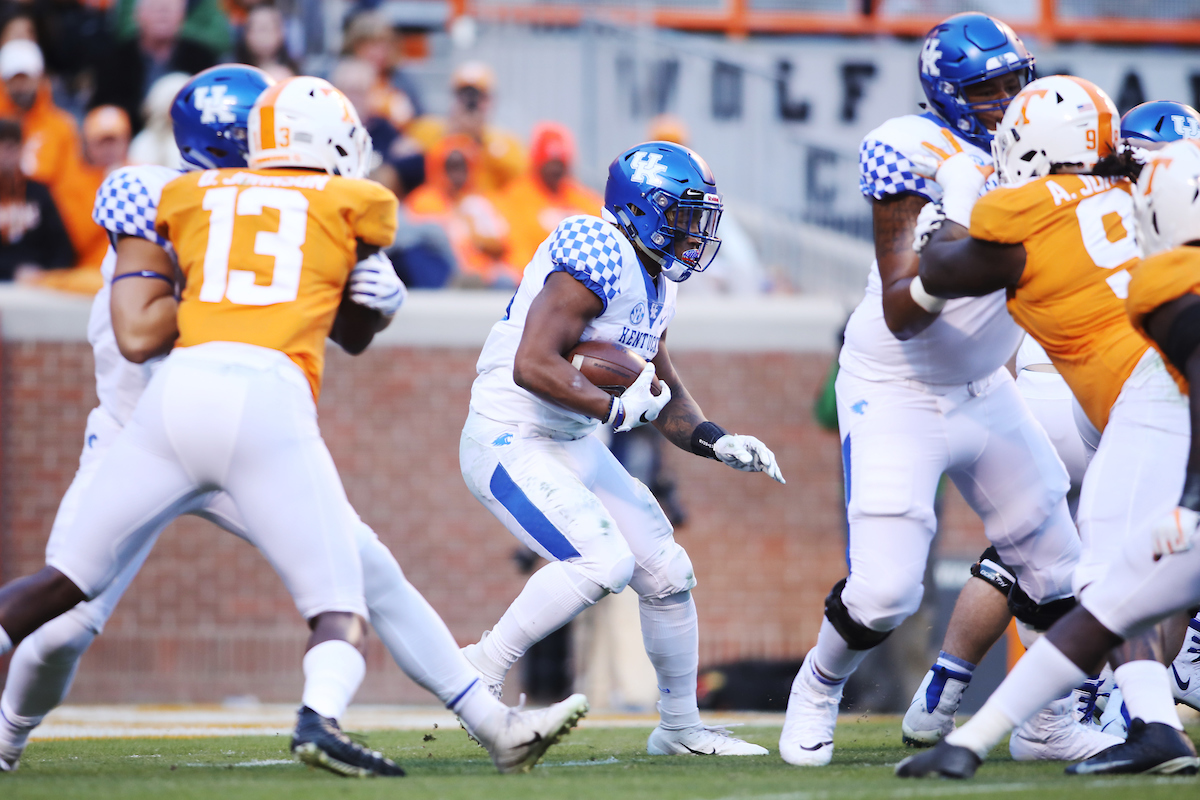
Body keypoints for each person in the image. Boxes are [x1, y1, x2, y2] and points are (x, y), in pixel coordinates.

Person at [0, 68, 587, 777]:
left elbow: (339, 326)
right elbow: (138, 332)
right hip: (140, 429)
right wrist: (259, 300)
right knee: (66, 624)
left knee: (372, 572)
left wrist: (361, 299)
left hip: (230, 435)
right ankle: (8, 737)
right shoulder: (157, 194)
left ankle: (497, 726)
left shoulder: (290, 205)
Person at [778, 13, 1105, 768]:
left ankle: (1048, 723)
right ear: (950, 97)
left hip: (985, 381)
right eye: (986, 88)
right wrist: (961, 211)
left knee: (1058, 567)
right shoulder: (920, 152)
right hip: (898, 383)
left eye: (1014, 80)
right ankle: (819, 684)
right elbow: (902, 311)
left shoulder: (1049, 143)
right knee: (886, 592)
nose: (1007, 99)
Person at [458, 140, 785, 756]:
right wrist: (612, 407)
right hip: (510, 434)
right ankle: (477, 669)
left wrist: (718, 440)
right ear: (640, 209)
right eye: (683, 213)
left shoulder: (659, 278)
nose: (694, 230)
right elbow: (532, 364)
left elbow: (656, 384)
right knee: (602, 562)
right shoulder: (597, 247)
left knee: (667, 572)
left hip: (572, 441)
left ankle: (681, 731)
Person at [897, 134, 1200, 781]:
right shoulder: (1123, 213)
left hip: (1145, 407)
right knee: (1115, 587)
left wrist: (955, 187)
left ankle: (978, 731)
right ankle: (1147, 726)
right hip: (1135, 409)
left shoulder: (1146, 267)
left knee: (1106, 586)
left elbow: (939, 272)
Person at [91, 0, 216, 136]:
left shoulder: (203, 59)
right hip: (132, 139)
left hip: (188, 137)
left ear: (182, 16)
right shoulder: (114, 60)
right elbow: (104, 109)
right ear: (138, 15)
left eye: (169, 9)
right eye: (156, 9)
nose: (162, 15)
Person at [406, 133, 515, 287]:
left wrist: (477, 237)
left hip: (484, 275)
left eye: (463, 166)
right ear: (439, 166)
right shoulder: (424, 200)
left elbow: (502, 243)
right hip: (444, 274)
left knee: (505, 280)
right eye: (451, 166)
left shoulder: (479, 201)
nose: (458, 173)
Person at [409, 61, 525, 194]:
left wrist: (480, 141)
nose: (471, 102)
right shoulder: (427, 129)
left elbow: (519, 182)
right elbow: (406, 168)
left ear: (491, 101)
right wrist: (451, 136)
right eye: (463, 94)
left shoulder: (507, 143)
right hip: (439, 207)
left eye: (479, 96)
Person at [498, 122, 602, 270]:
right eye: (549, 164)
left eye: (559, 164)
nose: (555, 170)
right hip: (535, 279)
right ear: (538, 163)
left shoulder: (581, 197)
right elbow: (515, 247)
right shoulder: (516, 196)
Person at [0, 116, 73, 280]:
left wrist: (49, 274)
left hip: (39, 283)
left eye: (12, 146)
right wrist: (12, 270)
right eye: (2, 146)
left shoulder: (39, 192)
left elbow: (63, 248)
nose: (6, 154)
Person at [233, 4, 297, 81]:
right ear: (245, 34)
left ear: (280, 33)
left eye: (266, 29)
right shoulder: (233, 69)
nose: (262, 36)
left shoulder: (295, 69)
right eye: (256, 29)